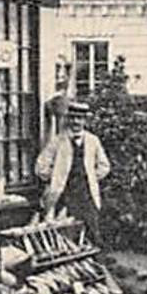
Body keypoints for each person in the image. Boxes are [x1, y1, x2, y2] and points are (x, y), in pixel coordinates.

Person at [35, 100, 111, 247]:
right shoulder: (57, 141)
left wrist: (91, 176)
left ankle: (96, 262)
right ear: (68, 119)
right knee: (63, 232)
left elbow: (104, 165)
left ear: (85, 120)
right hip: (64, 193)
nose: (76, 122)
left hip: (86, 192)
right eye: (73, 118)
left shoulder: (92, 141)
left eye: (80, 118)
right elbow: (41, 166)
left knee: (91, 228)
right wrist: (55, 177)